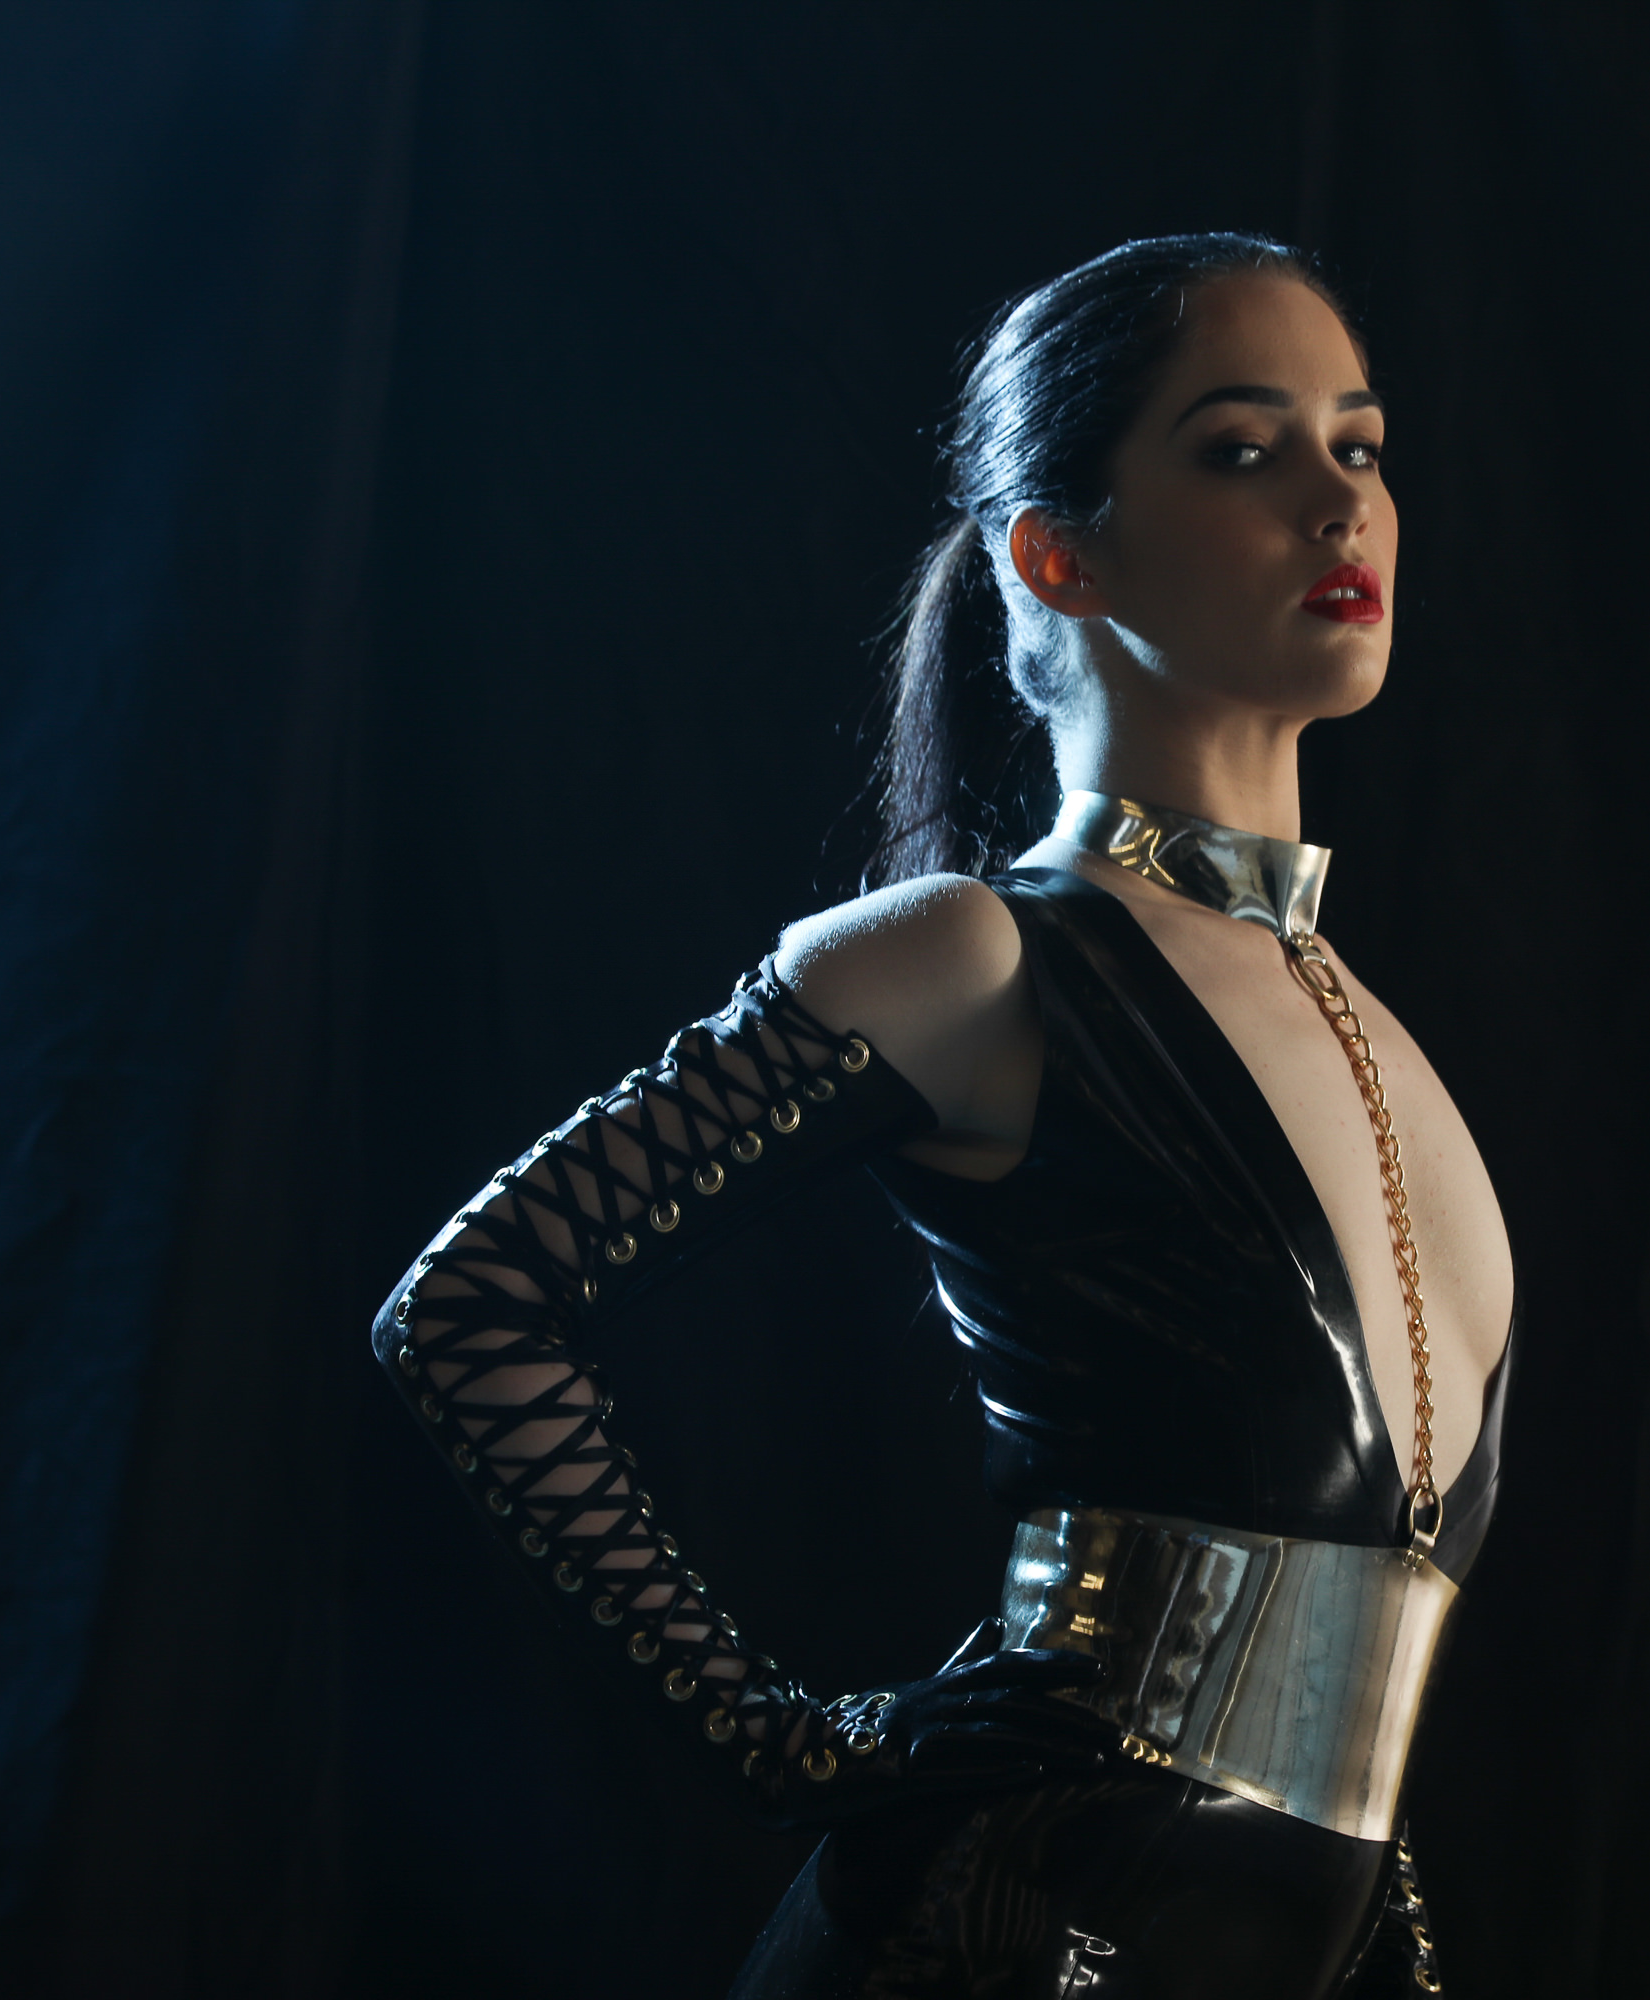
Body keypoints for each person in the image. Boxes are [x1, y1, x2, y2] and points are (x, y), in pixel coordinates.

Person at [371, 233, 1514, 1999]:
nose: (1339, 501)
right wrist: (782, 1737)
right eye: (1242, 448)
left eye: (1358, 444)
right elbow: (467, 1305)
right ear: (1057, 553)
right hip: (992, 1940)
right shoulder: (974, 959)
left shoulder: (1370, 1027)